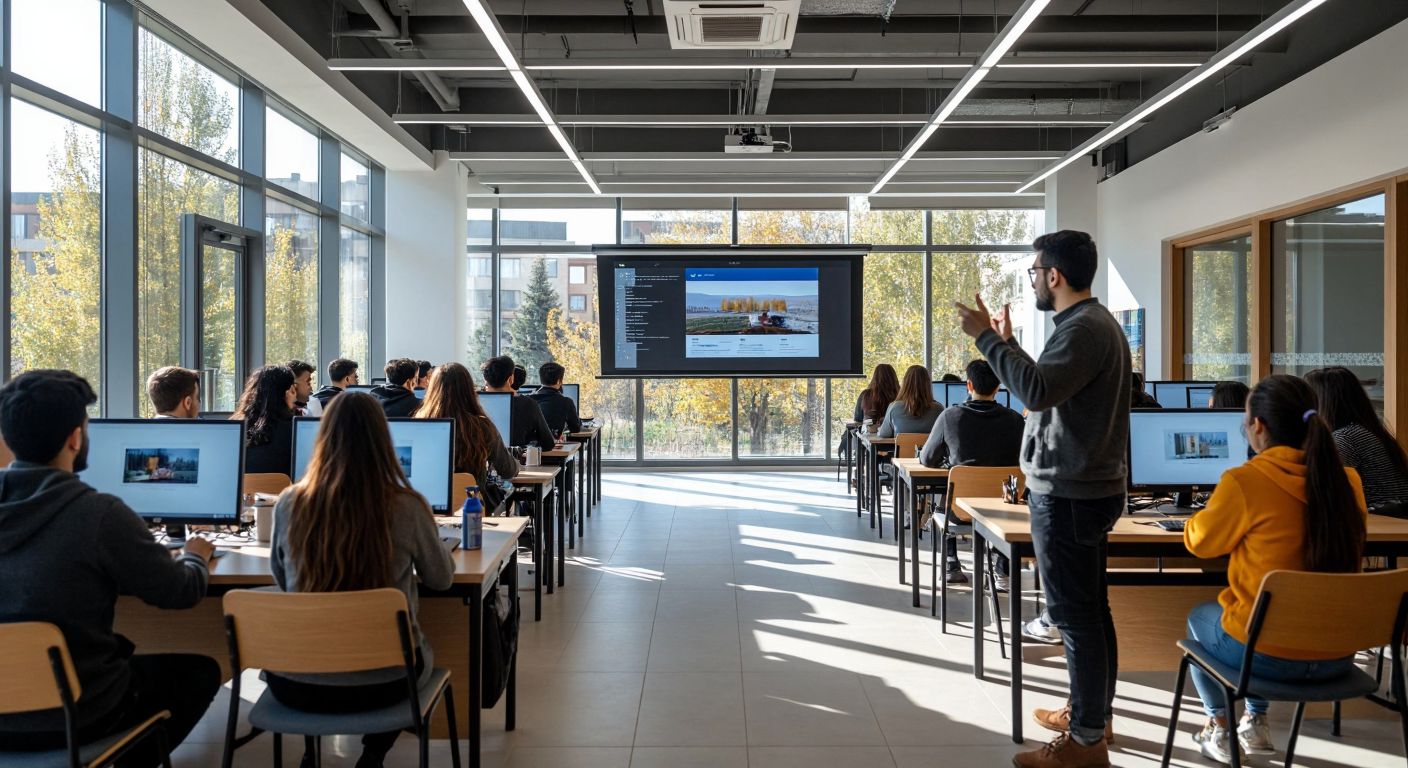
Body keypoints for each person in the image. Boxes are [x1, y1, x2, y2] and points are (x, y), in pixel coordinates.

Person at [956, 229, 1130, 767]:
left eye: (1034, 271)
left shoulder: (1083, 329)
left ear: (1053, 275)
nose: (1032, 278)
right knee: (1090, 613)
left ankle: (1084, 744)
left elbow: (1033, 393)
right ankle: (1091, 717)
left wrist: (987, 340)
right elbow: (1051, 387)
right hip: (1086, 488)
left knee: (1075, 618)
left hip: (1070, 493)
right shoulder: (1090, 327)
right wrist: (1009, 347)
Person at [0, 370, 220, 765]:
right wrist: (196, 554)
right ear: (75, 438)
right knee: (200, 670)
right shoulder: (98, 514)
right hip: (80, 712)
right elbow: (181, 592)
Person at [1181, 374, 1367, 764]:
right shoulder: (1347, 482)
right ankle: (1254, 721)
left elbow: (1200, 543)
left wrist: (1206, 513)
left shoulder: (1245, 481)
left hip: (1270, 658)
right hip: (1339, 655)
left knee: (1202, 617)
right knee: (1263, 621)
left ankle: (1220, 725)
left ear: (1258, 426)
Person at [269, 392, 454, 768]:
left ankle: (312, 752)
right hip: (386, 685)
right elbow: (441, 580)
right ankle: (372, 754)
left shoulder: (289, 503)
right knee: (411, 651)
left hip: (297, 683)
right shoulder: (408, 505)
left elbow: (282, 581)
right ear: (383, 440)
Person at [920, 359, 1025, 587]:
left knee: (944, 500)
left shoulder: (949, 417)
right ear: (998, 388)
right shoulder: (1017, 421)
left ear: (969, 385)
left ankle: (951, 564)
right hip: (1004, 511)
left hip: (960, 511)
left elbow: (927, 459)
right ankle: (1003, 572)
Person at [1305, 366, 1408, 512]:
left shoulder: (1344, 439)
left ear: (1321, 402)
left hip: (1377, 525)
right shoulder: (1368, 432)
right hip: (1394, 525)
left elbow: (1325, 492)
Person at [415, 363, 520, 494]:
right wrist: (517, 463)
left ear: (433, 390)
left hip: (429, 504)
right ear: (469, 390)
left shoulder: (418, 425)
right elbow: (507, 470)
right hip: (473, 506)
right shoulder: (481, 426)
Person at [233, 365, 298, 475]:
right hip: (283, 491)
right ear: (291, 390)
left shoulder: (236, 428)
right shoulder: (295, 430)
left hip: (245, 491)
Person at [482, 356, 556, 448]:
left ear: (485, 379)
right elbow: (548, 443)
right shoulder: (528, 404)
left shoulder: (475, 403)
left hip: (479, 460)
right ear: (510, 379)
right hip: (516, 460)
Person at [877, 365, 942, 438]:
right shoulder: (939, 409)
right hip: (930, 449)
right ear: (928, 385)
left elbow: (884, 434)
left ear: (905, 383)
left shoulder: (894, 407)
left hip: (902, 449)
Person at [531, 362, 582, 435]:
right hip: (552, 444)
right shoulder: (566, 402)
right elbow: (575, 428)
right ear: (559, 381)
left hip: (528, 444)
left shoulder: (528, 400)